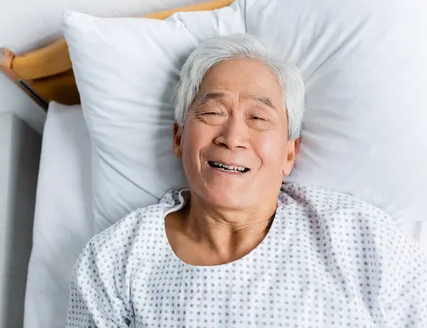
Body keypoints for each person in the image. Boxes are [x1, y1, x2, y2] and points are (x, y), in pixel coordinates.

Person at [65, 34, 427, 327]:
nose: (233, 136)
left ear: (289, 153)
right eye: (212, 112)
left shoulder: (357, 237)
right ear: (178, 138)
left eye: (258, 117)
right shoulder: (114, 261)